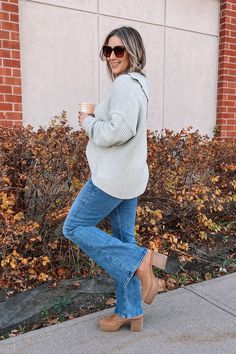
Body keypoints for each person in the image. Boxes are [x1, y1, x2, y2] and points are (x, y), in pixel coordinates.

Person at [63, 26, 167, 332]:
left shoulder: (125, 85)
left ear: (133, 52)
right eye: (107, 51)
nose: (111, 57)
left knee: (74, 226)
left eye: (118, 50)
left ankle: (141, 261)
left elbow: (117, 132)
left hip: (113, 179)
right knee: (123, 239)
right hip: (130, 178)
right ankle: (130, 311)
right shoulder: (140, 86)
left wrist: (89, 123)